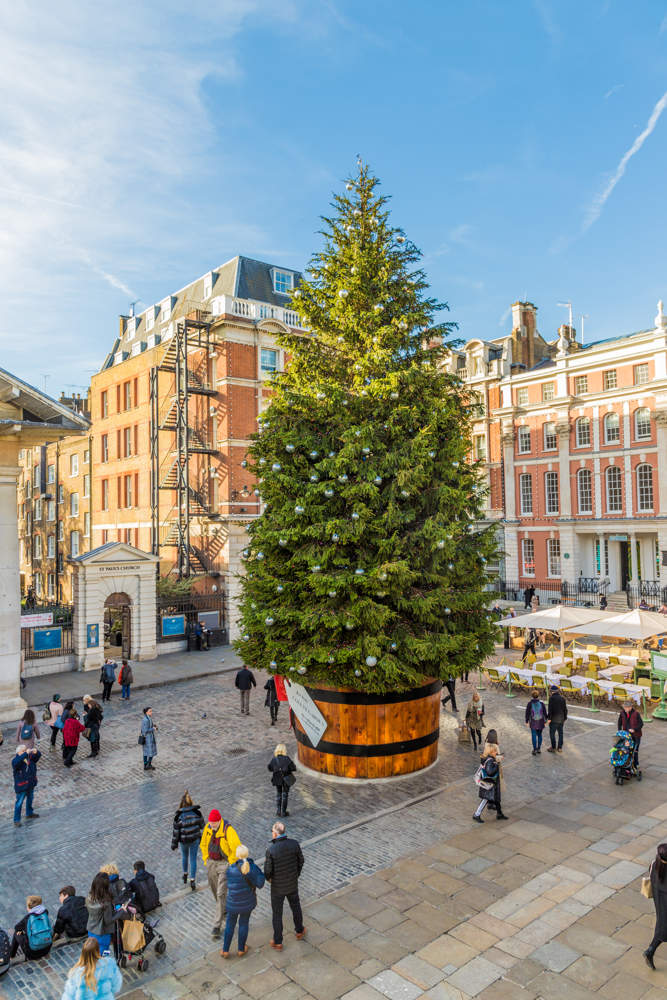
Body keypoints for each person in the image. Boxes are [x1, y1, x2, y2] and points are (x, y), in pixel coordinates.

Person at [200, 809, 241, 939]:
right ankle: (224, 910)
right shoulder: (207, 828)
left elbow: (237, 848)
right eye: (210, 823)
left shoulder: (228, 831)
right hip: (212, 863)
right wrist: (206, 859)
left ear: (219, 821)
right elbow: (203, 844)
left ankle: (216, 925)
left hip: (224, 864)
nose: (211, 825)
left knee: (220, 893)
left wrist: (231, 863)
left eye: (213, 823)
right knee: (215, 890)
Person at [265, 821, 305, 951]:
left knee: (277, 914)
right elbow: (301, 861)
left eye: (272, 831)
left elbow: (267, 870)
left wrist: (269, 879)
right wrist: (296, 874)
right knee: (296, 907)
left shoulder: (271, 850)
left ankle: (278, 941)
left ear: (275, 833)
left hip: (277, 888)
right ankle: (299, 930)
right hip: (292, 884)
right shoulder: (294, 844)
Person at [220, 845, 265, 959]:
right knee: (243, 923)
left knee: (230, 924)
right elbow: (260, 883)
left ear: (237, 855)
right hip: (247, 902)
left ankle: (225, 950)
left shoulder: (230, 869)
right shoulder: (252, 868)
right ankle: (241, 949)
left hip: (232, 903)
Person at [172, 791, 206, 890]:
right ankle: (192, 880)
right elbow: (202, 826)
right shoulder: (197, 813)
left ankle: (185, 874)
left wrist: (174, 845)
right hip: (194, 839)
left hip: (184, 841)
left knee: (184, 857)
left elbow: (176, 833)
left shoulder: (178, 816)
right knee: (193, 859)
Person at [644, 843, 667, 969]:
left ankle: (650, 951)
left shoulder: (654, 865)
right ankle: (650, 950)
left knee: (662, 926)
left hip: (660, 903)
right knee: (663, 929)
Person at [9, 895, 52, 961]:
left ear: (29, 907)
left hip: (32, 953)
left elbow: (17, 927)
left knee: (16, 933)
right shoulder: (45, 912)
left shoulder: (28, 918)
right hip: (47, 949)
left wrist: (22, 931)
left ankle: (11, 955)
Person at [472, 741, 507, 823]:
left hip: (492, 784)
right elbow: (490, 772)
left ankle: (499, 813)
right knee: (485, 799)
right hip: (489, 783)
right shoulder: (490, 760)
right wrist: (497, 764)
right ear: (491, 752)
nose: (496, 752)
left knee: (496, 800)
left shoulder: (489, 758)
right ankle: (476, 814)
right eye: (495, 751)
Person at [85, 874, 116, 954]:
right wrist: (120, 912)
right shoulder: (106, 904)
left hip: (91, 930)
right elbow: (108, 920)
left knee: (92, 952)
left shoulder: (90, 897)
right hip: (103, 933)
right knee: (104, 954)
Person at [12, 745, 41, 826]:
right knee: (19, 803)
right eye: (24, 750)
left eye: (26, 750)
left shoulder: (29, 758)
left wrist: (36, 752)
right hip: (22, 786)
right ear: (19, 752)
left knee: (30, 799)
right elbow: (16, 762)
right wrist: (25, 754)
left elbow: (37, 757)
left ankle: (29, 813)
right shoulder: (15, 761)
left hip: (30, 784)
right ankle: (16, 820)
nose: (26, 751)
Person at [268, 743, 297, 817]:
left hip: (277, 778)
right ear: (284, 750)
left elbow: (270, 768)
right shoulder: (287, 758)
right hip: (286, 779)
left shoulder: (274, 759)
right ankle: (283, 812)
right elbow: (293, 768)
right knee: (285, 795)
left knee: (278, 794)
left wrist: (276, 768)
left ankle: (278, 811)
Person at [618, 700, 643, 766]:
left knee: (635, 751)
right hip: (626, 735)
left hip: (636, 735)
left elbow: (641, 724)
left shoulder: (636, 713)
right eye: (624, 707)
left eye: (626, 707)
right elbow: (619, 723)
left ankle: (636, 764)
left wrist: (634, 729)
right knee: (626, 750)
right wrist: (619, 731)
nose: (625, 709)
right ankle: (627, 763)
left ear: (630, 707)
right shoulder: (622, 713)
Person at [525, 688, 547, 755]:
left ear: (532, 696)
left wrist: (526, 721)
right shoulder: (542, 704)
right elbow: (545, 713)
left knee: (534, 735)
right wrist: (545, 721)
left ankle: (534, 749)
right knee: (540, 735)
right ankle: (539, 749)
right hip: (540, 721)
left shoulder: (529, 703)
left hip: (533, 721)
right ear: (538, 696)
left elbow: (527, 713)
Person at [547, 684, 568, 753]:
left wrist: (549, 718)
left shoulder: (551, 699)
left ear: (552, 691)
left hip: (554, 719)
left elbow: (550, 710)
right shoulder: (562, 698)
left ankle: (553, 747)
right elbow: (565, 709)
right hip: (561, 719)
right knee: (560, 733)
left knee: (552, 734)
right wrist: (565, 718)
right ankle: (559, 748)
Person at [140, 707, 158, 771]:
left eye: (151, 711)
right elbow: (145, 730)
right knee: (149, 752)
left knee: (148, 752)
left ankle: (147, 764)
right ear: (146, 712)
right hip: (147, 739)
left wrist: (153, 726)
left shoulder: (148, 718)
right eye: (150, 711)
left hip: (149, 737)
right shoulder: (146, 720)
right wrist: (153, 729)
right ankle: (147, 765)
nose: (151, 712)